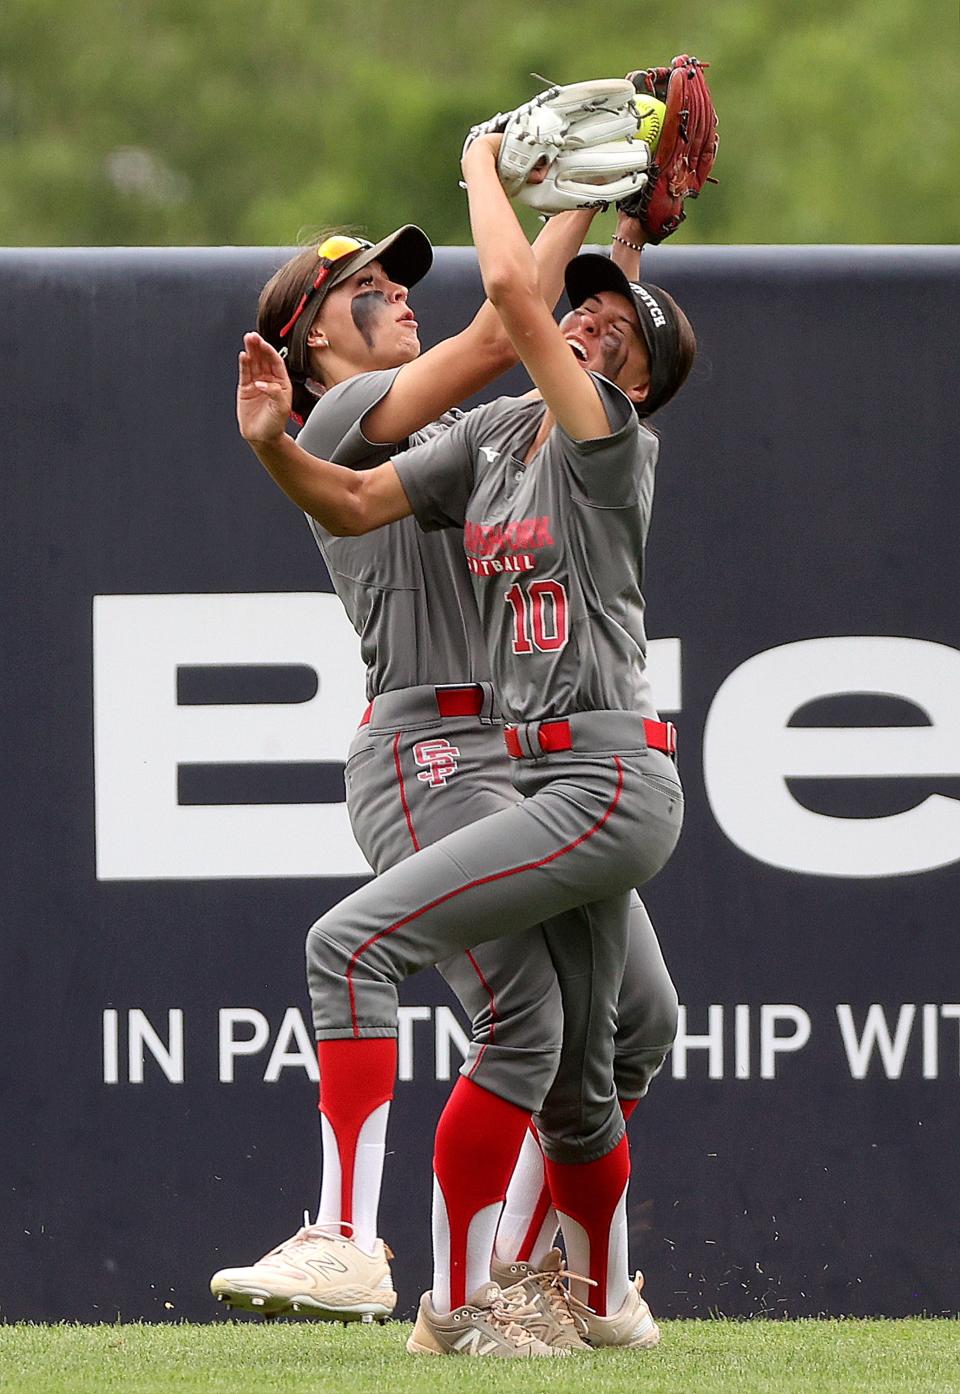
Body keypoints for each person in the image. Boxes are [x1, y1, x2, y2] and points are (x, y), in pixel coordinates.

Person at [226, 116, 694, 1356]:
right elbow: (510, 328)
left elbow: (566, 373)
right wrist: (575, 190)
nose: (392, 300)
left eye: (395, 285)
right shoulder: (347, 411)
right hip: (434, 753)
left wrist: (626, 229)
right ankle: (441, 1283)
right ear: (308, 344)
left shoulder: (476, 432)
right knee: (527, 1020)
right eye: (361, 293)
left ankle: (554, 1279)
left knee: (638, 1020)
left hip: (529, 757)